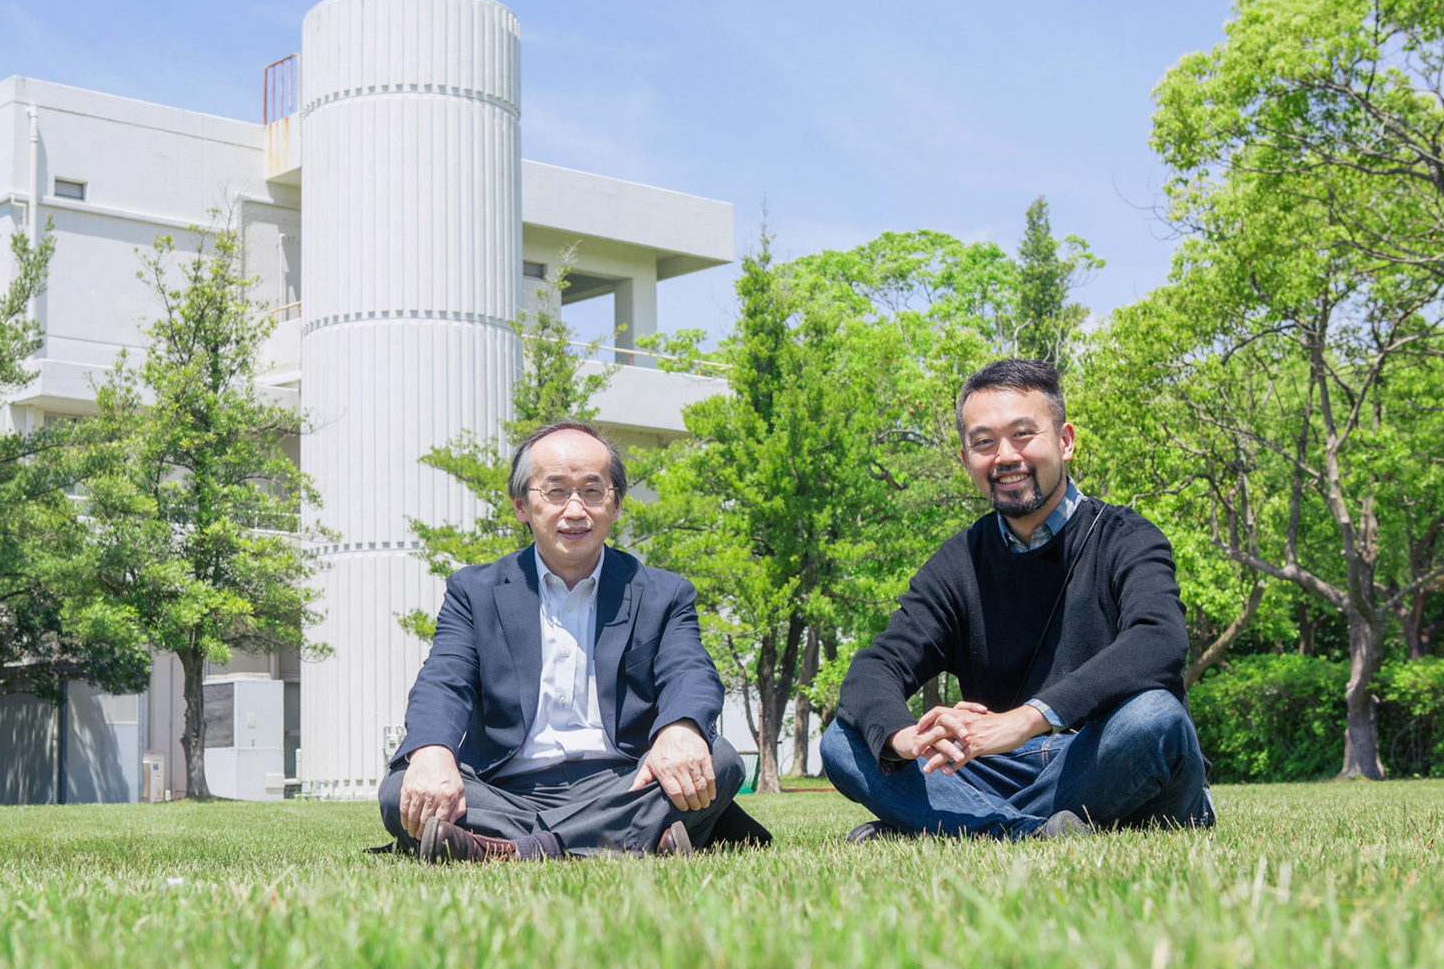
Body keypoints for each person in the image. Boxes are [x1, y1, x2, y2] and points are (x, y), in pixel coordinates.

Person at [821, 358, 1214, 841]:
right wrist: (908, 738)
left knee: (1154, 717)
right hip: (999, 769)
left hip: (1101, 756)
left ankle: (951, 825)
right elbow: (875, 668)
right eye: (984, 442)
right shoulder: (958, 563)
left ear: (1065, 441)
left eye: (1023, 434)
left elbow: (1159, 641)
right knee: (844, 739)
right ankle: (1022, 832)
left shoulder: (1127, 537)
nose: (1005, 456)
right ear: (966, 459)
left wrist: (1027, 719)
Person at [380, 420, 756, 862]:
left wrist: (681, 729)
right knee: (400, 787)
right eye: (555, 491)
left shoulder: (664, 592)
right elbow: (445, 679)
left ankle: (512, 849)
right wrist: (433, 750)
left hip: (625, 781)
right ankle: (631, 838)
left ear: (616, 505)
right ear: (521, 505)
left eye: (593, 491)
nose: (575, 510)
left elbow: (690, 671)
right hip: (505, 788)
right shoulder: (474, 591)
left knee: (720, 759)